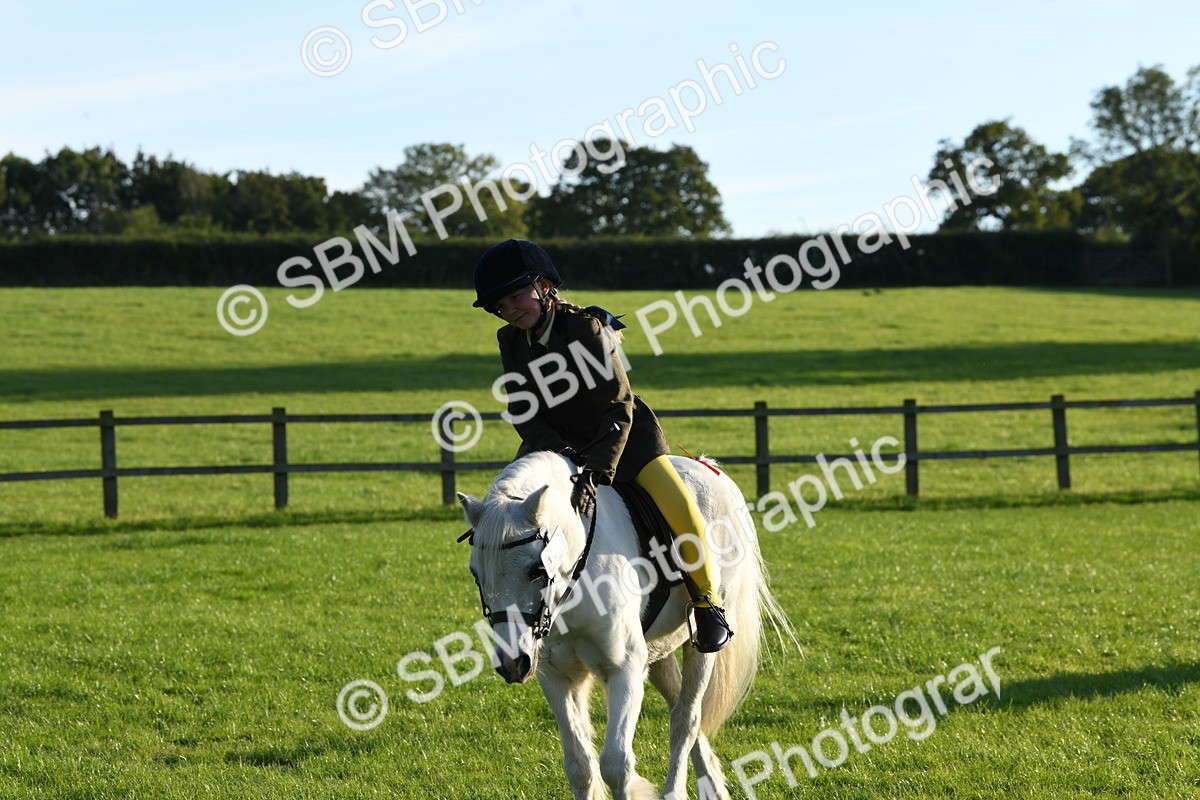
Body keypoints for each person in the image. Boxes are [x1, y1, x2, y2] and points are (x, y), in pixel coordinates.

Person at [471, 238, 733, 652]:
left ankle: (707, 602)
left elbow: (617, 403)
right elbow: (524, 410)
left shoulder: (585, 328)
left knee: (681, 505)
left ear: (544, 286)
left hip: (624, 440)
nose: (511, 310)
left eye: (517, 297)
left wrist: (596, 468)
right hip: (558, 446)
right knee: (510, 507)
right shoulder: (510, 341)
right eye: (502, 305)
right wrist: (560, 453)